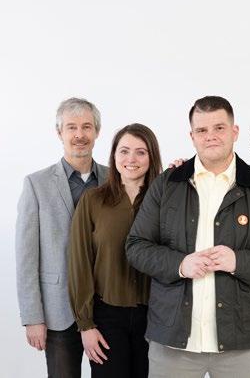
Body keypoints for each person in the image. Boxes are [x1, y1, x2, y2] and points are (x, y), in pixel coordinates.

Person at [126, 96, 250, 378]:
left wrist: (237, 261)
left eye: (219, 128)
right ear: (192, 136)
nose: (211, 136)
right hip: (173, 338)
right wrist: (180, 264)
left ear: (234, 131)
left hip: (241, 340)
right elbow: (136, 247)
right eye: (202, 130)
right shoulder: (167, 184)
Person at [15, 97, 108, 378]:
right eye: (71, 127)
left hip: (106, 308)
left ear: (97, 132)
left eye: (86, 127)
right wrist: (33, 317)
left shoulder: (114, 179)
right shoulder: (37, 184)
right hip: (58, 312)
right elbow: (26, 257)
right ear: (59, 133)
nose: (80, 134)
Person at [68, 123, 162, 377]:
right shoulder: (93, 200)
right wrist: (86, 325)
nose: (131, 159)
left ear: (152, 157)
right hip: (106, 318)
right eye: (124, 151)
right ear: (114, 155)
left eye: (141, 152)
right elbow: (79, 263)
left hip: (155, 318)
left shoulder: (165, 201)